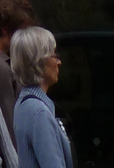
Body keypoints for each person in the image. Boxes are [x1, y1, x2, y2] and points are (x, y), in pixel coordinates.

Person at [10, 27, 73, 168]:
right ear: (39, 62)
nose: (59, 62)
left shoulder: (24, 102)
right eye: (54, 54)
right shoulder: (39, 112)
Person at [0, 0, 37, 144]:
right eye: (23, 31)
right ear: (5, 30)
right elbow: (11, 125)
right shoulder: (0, 68)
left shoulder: (10, 62)